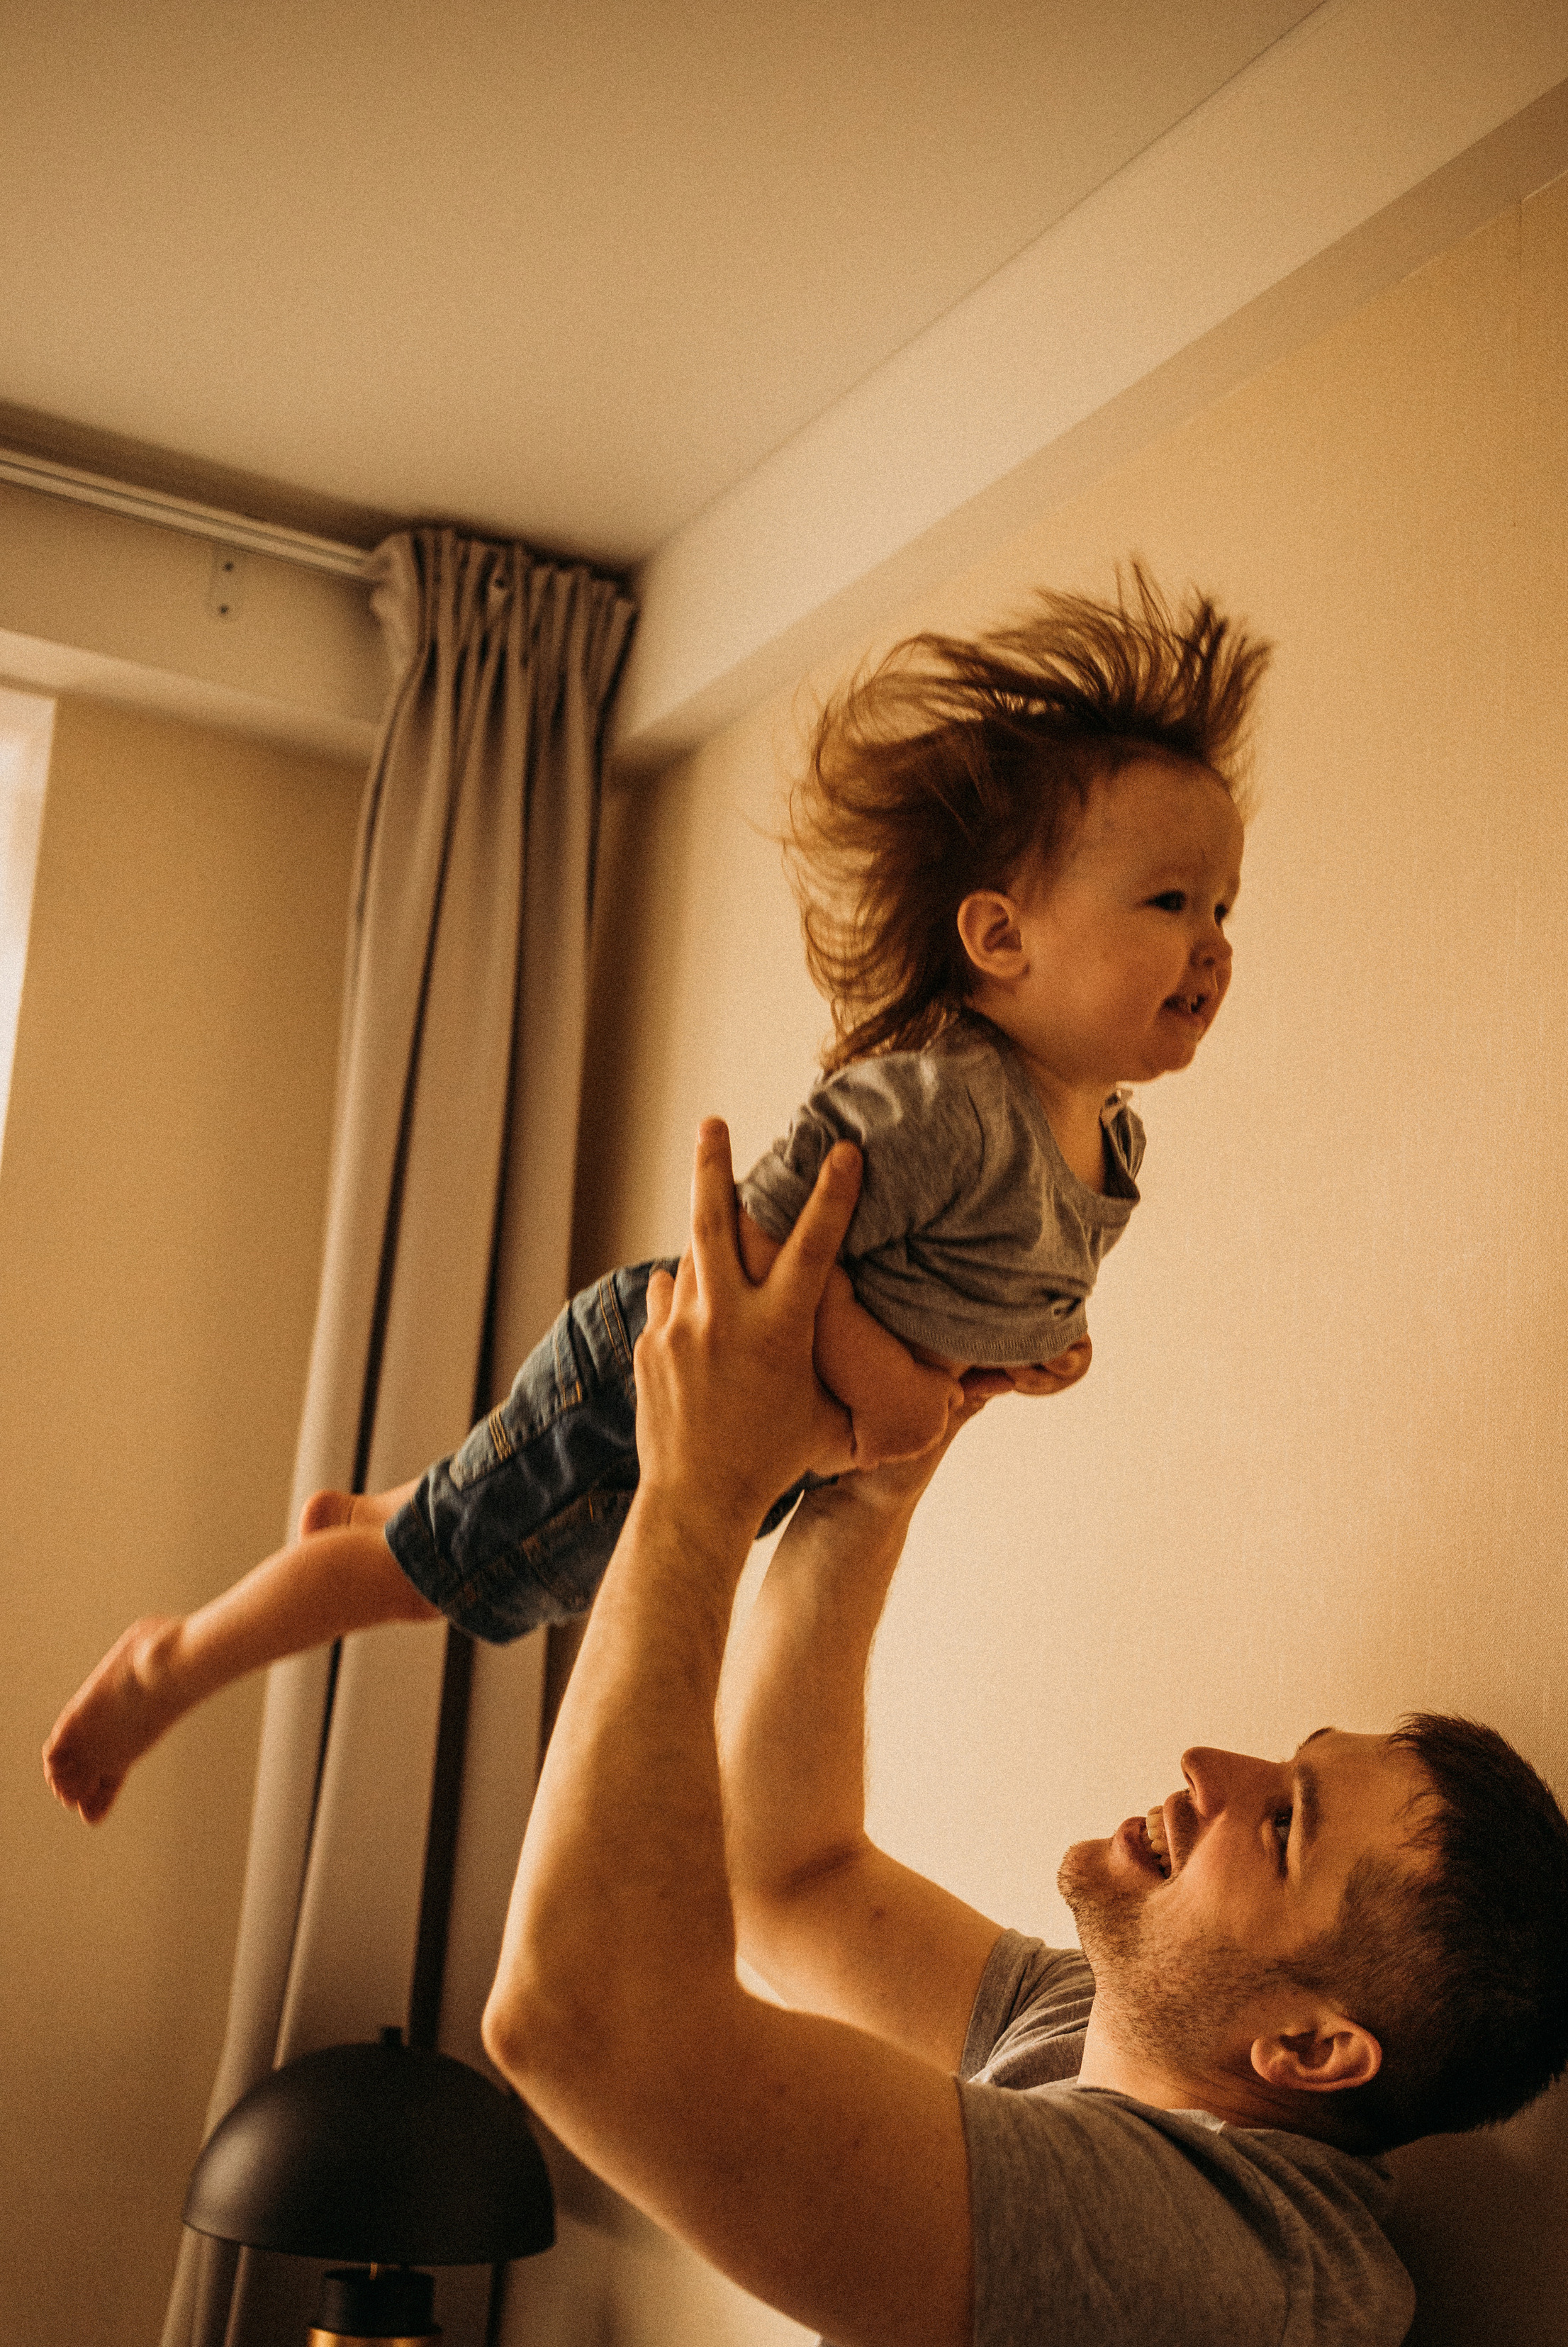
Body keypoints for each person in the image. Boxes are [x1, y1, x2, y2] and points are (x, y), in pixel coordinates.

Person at [483, 1119, 1568, 2347]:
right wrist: (900, 1444)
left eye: (1276, 1822)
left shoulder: (1221, 2280)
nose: (1208, 1768)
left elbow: (578, 2019)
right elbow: (789, 1876)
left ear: (1305, 2043)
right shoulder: (1095, 2044)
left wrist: (696, 1491)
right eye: (1274, 1762)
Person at [43, 568, 1265, 1825]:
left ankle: (384, 1507)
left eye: (1225, 905)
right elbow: (749, 1238)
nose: (1214, 941)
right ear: (1002, 940)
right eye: (1169, 902)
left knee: (489, 1557)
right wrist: (885, 1373)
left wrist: (1044, 1341)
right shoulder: (947, 1104)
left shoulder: (1103, 1141)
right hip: (658, 1375)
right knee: (430, 1583)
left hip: (759, 1449)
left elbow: (987, 1280)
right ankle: (171, 1661)